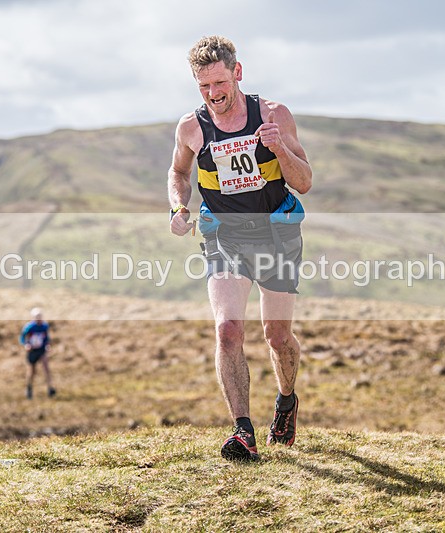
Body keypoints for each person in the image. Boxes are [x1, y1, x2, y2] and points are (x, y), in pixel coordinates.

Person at [168, 36, 312, 461]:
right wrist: (178, 205)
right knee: (227, 329)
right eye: (203, 87)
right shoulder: (191, 127)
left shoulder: (273, 114)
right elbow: (178, 171)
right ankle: (242, 430)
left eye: (219, 83)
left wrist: (279, 147)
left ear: (237, 73)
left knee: (277, 334)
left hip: (276, 231)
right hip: (224, 235)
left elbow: (303, 181)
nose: (213, 94)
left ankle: (286, 400)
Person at [20, 307, 56, 399]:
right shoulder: (29, 327)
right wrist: (26, 345)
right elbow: (22, 338)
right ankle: (29, 388)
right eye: (37, 317)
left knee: (46, 368)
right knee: (32, 371)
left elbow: (46, 337)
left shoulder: (44, 326)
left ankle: (50, 388)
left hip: (41, 350)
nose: (39, 319)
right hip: (32, 351)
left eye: (40, 316)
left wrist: (47, 345)